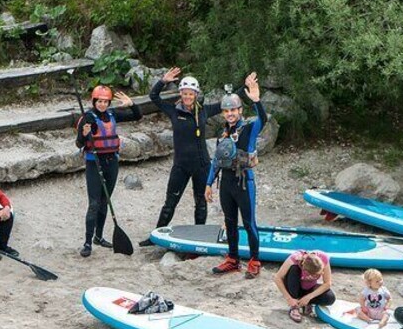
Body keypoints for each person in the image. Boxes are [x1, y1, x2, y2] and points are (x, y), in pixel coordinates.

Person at [139, 68, 247, 247]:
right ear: (180, 94)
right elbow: (154, 97)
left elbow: (229, 101)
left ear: (196, 94)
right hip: (180, 166)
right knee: (170, 203)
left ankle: (199, 237)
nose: (188, 97)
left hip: (202, 165)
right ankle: (155, 236)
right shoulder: (173, 111)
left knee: (201, 204)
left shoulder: (204, 111)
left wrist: (245, 87)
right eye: (185, 93)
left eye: (191, 94)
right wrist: (163, 81)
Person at [205, 72, 265, 278]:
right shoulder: (223, 134)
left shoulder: (248, 129)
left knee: (249, 223)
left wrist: (256, 100)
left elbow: (262, 120)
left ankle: (255, 260)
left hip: (244, 182)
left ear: (240, 110)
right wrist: (208, 183)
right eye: (227, 110)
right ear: (223, 113)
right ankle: (232, 259)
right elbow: (216, 161)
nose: (230, 113)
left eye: (234, 110)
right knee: (230, 221)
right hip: (227, 183)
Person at [75, 85, 142, 257]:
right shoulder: (88, 117)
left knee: (105, 201)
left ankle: (99, 236)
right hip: (94, 162)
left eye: (106, 101)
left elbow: (137, 116)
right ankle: (87, 243)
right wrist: (84, 134)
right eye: (100, 101)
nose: (103, 104)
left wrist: (131, 104)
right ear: (94, 101)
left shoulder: (112, 115)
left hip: (111, 162)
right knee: (94, 204)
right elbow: (79, 143)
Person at [274, 250, 335, 322]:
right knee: (294, 268)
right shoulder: (295, 258)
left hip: (309, 288)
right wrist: (289, 298)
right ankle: (294, 306)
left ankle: (306, 303)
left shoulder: (323, 257)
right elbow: (277, 277)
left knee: (330, 298)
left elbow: (327, 283)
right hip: (294, 286)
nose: (322, 273)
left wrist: (309, 297)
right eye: (315, 274)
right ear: (305, 271)